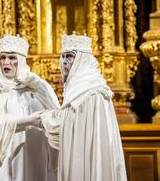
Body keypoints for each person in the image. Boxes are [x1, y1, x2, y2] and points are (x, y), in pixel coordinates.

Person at [0, 34, 60, 181]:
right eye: (3, 57)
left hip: (35, 156)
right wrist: (29, 121)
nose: (6, 63)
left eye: (12, 58)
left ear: (21, 60)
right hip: (4, 159)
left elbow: (56, 118)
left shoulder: (38, 86)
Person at [38, 33, 127, 181]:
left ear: (82, 59)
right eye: (63, 56)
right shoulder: (77, 86)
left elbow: (71, 127)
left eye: (70, 57)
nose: (64, 62)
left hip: (87, 157)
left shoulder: (90, 90)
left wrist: (46, 118)